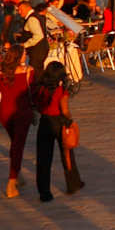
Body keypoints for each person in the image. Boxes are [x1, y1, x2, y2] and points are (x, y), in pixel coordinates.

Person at [30, 60, 79, 201]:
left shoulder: (41, 88)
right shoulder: (61, 89)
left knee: (43, 158)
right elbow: (64, 109)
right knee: (67, 153)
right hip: (59, 121)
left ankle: (44, 192)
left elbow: (37, 105)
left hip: (45, 121)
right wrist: (71, 120)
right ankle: (73, 183)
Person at [0, 53, 34, 199]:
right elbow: (33, 92)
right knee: (18, 146)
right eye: (23, 54)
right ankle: (11, 182)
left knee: (15, 145)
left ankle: (17, 173)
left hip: (5, 114)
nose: (25, 55)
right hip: (22, 113)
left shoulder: (0, 74)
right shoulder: (28, 71)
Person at [16, 0, 49, 71]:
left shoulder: (31, 19)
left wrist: (25, 44)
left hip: (37, 51)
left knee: (35, 73)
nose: (19, 12)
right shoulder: (37, 15)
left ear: (28, 8)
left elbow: (39, 36)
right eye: (18, 10)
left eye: (21, 9)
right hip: (41, 49)